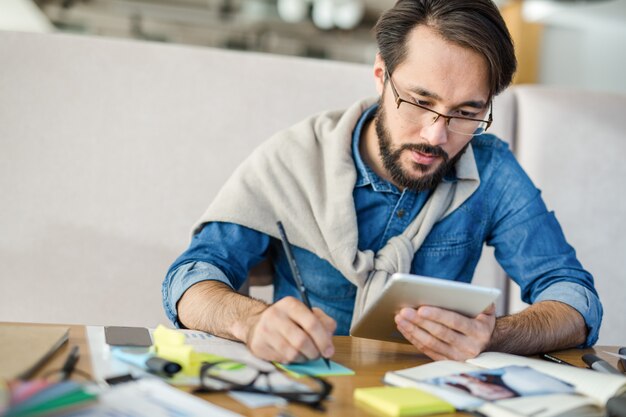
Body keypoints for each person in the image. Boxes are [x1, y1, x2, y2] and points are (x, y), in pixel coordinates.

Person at [162, 0, 602, 364]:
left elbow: (574, 298)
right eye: (419, 101)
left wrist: (494, 335)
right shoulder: (295, 158)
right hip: (307, 392)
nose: (436, 135)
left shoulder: (491, 170)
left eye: (466, 113)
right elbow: (190, 279)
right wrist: (252, 321)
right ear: (381, 76)